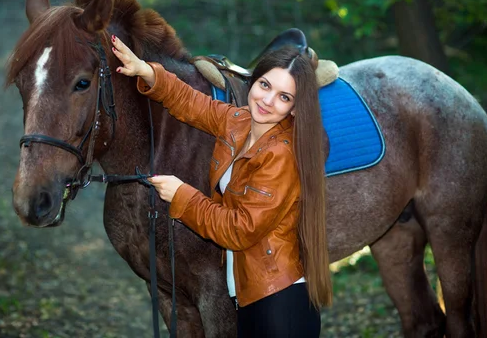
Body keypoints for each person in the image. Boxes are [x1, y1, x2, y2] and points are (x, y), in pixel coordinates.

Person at [110, 34, 332, 337]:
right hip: (250, 294)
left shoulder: (281, 154)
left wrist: (182, 197)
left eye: (284, 96)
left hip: (277, 302)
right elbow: (191, 103)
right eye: (265, 85)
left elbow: (239, 230)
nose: (267, 100)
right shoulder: (241, 121)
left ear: (295, 108)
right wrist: (147, 71)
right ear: (252, 83)